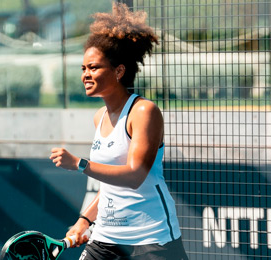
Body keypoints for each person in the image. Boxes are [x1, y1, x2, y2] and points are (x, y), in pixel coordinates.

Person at [49, 3, 188, 260]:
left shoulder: (144, 112)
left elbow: (135, 176)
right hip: (106, 238)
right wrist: (84, 220)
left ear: (119, 71)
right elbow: (110, 186)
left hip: (152, 239)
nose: (86, 75)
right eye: (83, 68)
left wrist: (80, 164)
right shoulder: (98, 117)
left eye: (94, 68)